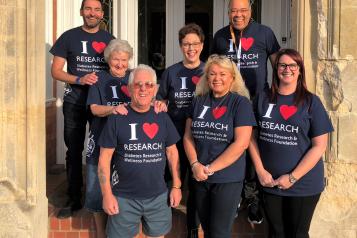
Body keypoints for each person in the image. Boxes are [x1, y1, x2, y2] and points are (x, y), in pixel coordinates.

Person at [248, 48, 333, 238]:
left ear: (300, 70)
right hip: (269, 182)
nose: (287, 69)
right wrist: (261, 171)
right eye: (282, 65)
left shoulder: (311, 102)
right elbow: (251, 137)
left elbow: (319, 146)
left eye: (293, 65)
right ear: (276, 68)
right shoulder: (262, 98)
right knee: (276, 233)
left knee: (297, 234)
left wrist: (292, 177)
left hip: (303, 184)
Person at [211, 0, 281, 224]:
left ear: (251, 11)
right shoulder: (221, 36)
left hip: (257, 103)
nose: (238, 15)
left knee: (254, 150)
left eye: (242, 10)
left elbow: (277, 65)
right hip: (228, 102)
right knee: (230, 147)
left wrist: (278, 96)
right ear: (228, 12)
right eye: (233, 11)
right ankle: (233, 198)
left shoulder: (265, 33)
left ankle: (253, 199)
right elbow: (212, 68)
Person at [97, 64, 182, 238]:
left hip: (158, 197)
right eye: (138, 84)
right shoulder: (116, 117)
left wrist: (176, 185)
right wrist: (107, 194)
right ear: (129, 89)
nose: (143, 89)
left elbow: (172, 153)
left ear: (155, 89)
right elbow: (104, 160)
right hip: (123, 198)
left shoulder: (162, 116)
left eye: (149, 85)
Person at [50, 0, 115, 219]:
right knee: (74, 150)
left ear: (102, 14)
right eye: (88, 9)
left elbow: (118, 68)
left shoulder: (109, 40)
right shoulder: (68, 36)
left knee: (104, 149)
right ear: (81, 12)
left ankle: (104, 194)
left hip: (100, 103)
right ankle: (74, 197)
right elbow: (56, 71)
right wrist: (79, 78)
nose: (92, 13)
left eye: (97, 9)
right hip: (74, 102)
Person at [183, 54, 256, 237]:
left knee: (219, 232)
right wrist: (195, 165)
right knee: (207, 230)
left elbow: (241, 143)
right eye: (212, 74)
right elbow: (188, 136)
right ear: (206, 77)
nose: (217, 78)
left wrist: (210, 168)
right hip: (200, 176)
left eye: (223, 74)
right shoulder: (199, 100)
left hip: (227, 179)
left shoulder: (241, 103)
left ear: (232, 77)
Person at [157, 23, 205, 238]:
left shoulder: (209, 71)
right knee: (171, 179)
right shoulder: (171, 72)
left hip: (202, 138)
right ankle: (162, 226)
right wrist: (160, 104)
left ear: (202, 45)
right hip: (174, 136)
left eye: (195, 43)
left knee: (196, 185)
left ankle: (193, 229)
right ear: (180, 46)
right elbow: (159, 100)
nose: (191, 48)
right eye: (186, 44)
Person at [85, 39, 132, 238]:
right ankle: (100, 234)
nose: (120, 64)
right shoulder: (98, 79)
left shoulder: (135, 77)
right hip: (101, 140)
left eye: (124, 59)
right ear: (108, 59)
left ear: (129, 60)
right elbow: (94, 109)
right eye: (115, 59)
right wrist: (114, 109)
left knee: (123, 192)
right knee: (97, 191)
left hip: (128, 144)